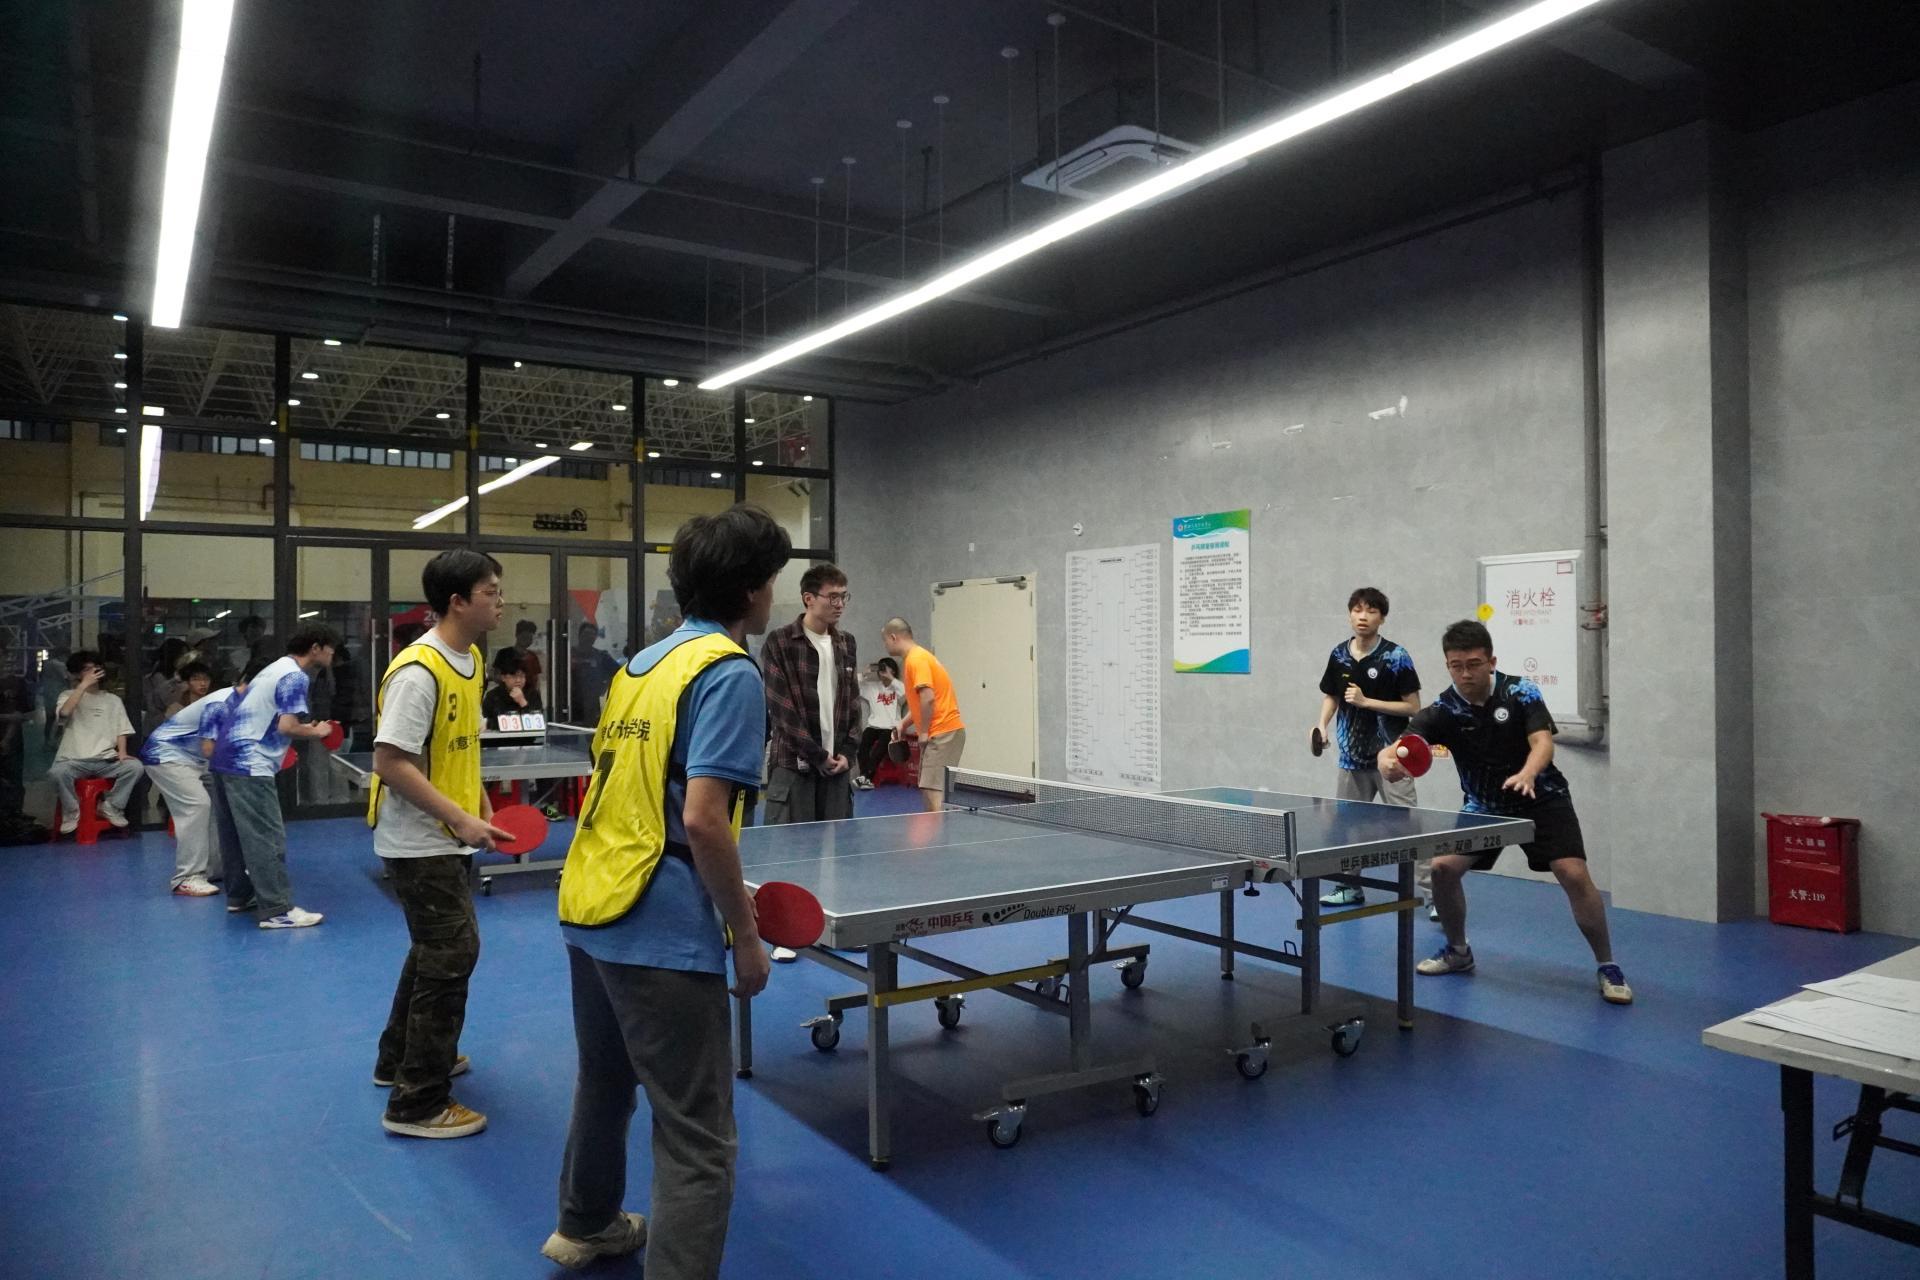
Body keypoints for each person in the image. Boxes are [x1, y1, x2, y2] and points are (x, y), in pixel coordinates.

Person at [543, 503, 788, 1276]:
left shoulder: (640, 667)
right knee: (697, 1137)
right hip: (660, 923)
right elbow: (705, 819)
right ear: (750, 590)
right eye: (771, 579)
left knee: (606, 1079)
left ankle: (584, 1224)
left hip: (592, 903)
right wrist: (746, 934)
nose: (773, 593)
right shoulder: (729, 672)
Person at [1379, 619, 1631, 1005]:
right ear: (1448, 665)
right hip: (1485, 807)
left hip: (1543, 799)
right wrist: (1387, 762)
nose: (1465, 673)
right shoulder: (1444, 708)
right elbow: (1399, 746)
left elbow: (1542, 742)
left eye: (1474, 664)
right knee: (1443, 869)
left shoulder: (1520, 692)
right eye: (1456, 666)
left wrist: (1528, 773)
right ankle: (1458, 951)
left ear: (1491, 661)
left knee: (1573, 873)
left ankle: (1608, 965)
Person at [369, 550, 515, 1140]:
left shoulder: (471, 660)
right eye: (491, 591)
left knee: (434, 949)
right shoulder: (418, 671)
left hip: (447, 834)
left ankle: (397, 1059)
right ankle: (418, 1101)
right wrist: (458, 818)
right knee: (453, 952)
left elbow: (457, 745)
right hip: (417, 840)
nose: (501, 601)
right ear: (457, 602)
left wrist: (478, 806)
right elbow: (390, 762)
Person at [757, 563, 859, 961]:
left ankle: (838, 929)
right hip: (793, 766)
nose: (840, 604)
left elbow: (852, 704)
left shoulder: (847, 643)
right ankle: (786, 934)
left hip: (837, 768)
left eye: (844, 596)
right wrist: (816, 756)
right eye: (833, 596)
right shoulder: (780, 642)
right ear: (808, 599)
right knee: (791, 852)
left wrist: (848, 753)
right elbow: (781, 710)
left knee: (838, 852)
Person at [207, 626, 339, 929]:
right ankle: (277, 910)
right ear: (316, 648)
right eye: (331, 648)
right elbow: (287, 727)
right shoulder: (295, 677)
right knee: (266, 836)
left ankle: (239, 896)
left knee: (235, 836)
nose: (333, 654)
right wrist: (318, 731)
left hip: (225, 757)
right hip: (249, 762)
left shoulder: (273, 669)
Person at [1312, 587, 1427, 911]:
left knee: (1409, 826)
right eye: (1357, 610)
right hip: (1351, 758)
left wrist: (1367, 702)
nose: (1363, 617)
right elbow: (1332, 696)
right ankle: (1349, 886)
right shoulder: (1338, 654)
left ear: (1382, 618)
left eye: (1371, 611)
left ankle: (1433, 895)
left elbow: (1413, 707)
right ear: (1350, 614)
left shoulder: (1396, 656)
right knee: (1347, 826)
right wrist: (1321, 724)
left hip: (1393, 758)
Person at [141, 666, 228, 896]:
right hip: (167, 756)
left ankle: (215, 868)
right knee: (198, 804)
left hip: (198, 760)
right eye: (196, 679)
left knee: (219, 804)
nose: (202, 683)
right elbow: (210, 747)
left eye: (205, 678)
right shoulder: (218, 704)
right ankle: (187, 877)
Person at [47, 650, 144, 834]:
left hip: (106, 760)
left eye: (96, 668)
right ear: (77, 674)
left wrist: (122, 753)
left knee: (135, 767)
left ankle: (111, 806)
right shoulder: (67, 695)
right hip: (73, 759)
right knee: (57, 773)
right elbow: (65, 713)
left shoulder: (113, 700)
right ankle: (72, 811)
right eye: (87, 669)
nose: (93, 672)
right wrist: (83, 685)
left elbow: (121, 730)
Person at [880, 619, 965, 812]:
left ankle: (940, 830)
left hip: (942, 731)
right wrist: (903, 723)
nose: (885, 645)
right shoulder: (918, 657)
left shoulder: (916, 659)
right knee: (928, 787)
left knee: (933, 790)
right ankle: (936, 828)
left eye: (885, 641)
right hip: (942, 731)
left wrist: (924, 732)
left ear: (893, 637)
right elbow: (921, 702)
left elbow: (928, 698)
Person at [855, 658, 909, 788]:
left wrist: (891, 678)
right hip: (873, 726)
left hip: (891, 727)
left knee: (878, 750)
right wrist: (864, 673)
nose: (882, 671)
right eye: (881, 668)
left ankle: (865, 777)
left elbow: (907, 693)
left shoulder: (897, 688)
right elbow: (854, 686)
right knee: (862, 747)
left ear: (893, 671)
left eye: (886, 667)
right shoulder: (872, 687)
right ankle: (865, 777)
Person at [483, 646, 544, 727]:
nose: (518, 680)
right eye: (514, 676)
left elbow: (537, 722)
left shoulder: (533, 694)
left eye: (522, 676)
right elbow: (486, 722)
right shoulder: (493, 696)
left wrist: (522, 702)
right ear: (503, 677)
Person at [569, 621, 617, 722]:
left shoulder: (601, 656)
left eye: (592, 635)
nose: (589, 638)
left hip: (591, 705)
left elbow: (619, 673)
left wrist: (605, 686)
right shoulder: (568, 654)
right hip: (570, 703)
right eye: (586, 634)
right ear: (579, 635)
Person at [144, 637, 191, 721]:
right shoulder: (157, 677)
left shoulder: (182, 676)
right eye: (183, 655)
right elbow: (169, 702)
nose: (186, 659)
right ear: (173, 656)